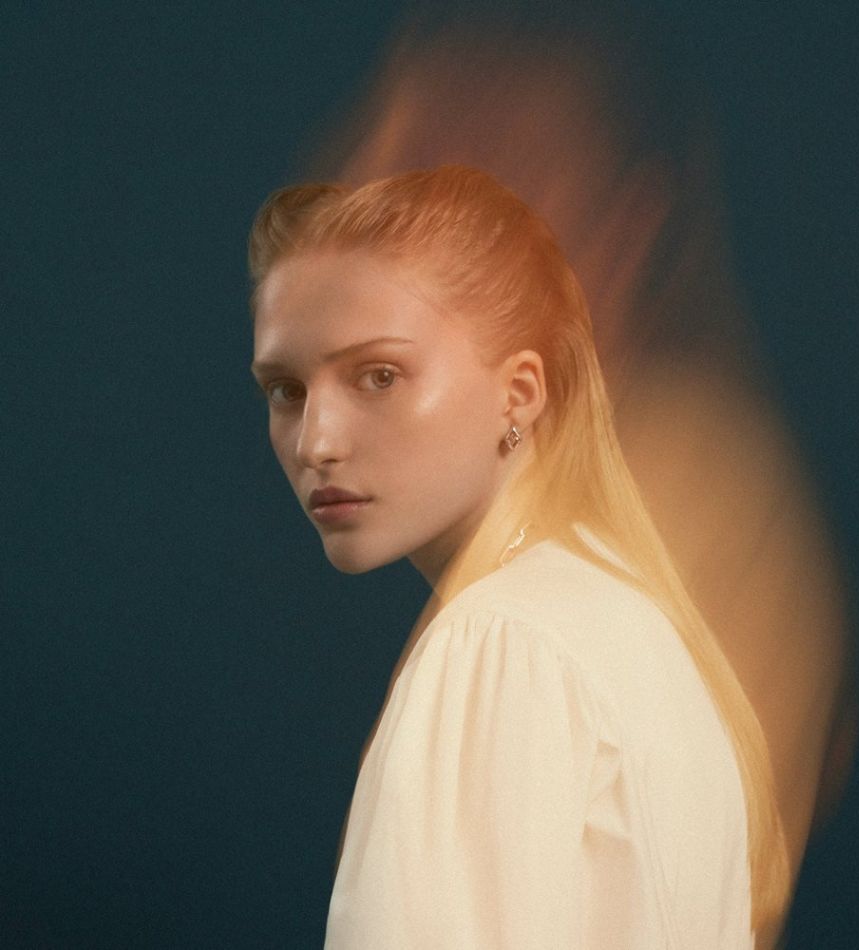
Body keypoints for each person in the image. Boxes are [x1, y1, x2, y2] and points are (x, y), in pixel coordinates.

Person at [248, 165, 789, 947]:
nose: (316, 442)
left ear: (521, 391)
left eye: (378, 376)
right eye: (285, 390)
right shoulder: (630, 619)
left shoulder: (500, 642)